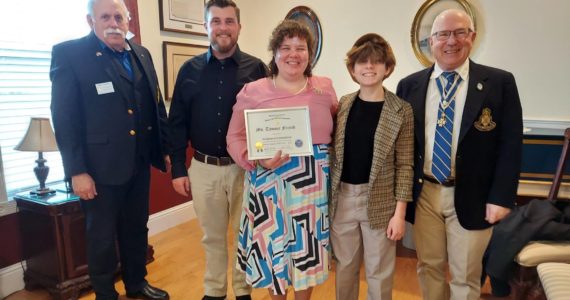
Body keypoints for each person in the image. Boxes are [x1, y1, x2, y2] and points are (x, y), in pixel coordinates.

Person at [396, 9, 523, 300]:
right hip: (425, 192)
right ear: (431, 41)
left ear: (472, 36)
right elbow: (402, 147)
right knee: (429, 268)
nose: (451, 41)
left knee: (466, 274)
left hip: (475, 195)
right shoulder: (409, 86)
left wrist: (501, 197)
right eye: (443, 34)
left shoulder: (499, 83)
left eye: (459, 32)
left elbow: (510, 144)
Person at [50, 0, 169, 299]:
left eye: (119, 16)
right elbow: (64, 119)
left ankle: (136, 284)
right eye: (105, 16)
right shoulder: (70, 54)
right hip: (98, 169)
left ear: (129, 21)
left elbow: (155, 104)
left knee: (136, 229)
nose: (113, 21)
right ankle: (105, 293)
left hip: (139, 163)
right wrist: (77, 171)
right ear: (91, 21)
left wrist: (163, 147)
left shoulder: (141, 53)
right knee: (101, 237)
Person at [226, 20, 338, 300]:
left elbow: (339, 129)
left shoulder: (324, 88)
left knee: (307, 251)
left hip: (311, 187)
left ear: (310, 54)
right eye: (285, 47)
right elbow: (234, 137)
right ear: (274, 53)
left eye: (301, 48)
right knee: (273, 249)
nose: (293, 54)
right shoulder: (253, 91)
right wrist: (257, 160)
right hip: (269, 185)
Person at [167, 0, 266, 299]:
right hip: (203, 169)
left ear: (239, 26)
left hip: (245, 168)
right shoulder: (188, 70)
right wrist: (179, 169)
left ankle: (242, 289)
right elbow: (177, 124)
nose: (223, 27)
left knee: (242, 235)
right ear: (206, 26)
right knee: (211, 237)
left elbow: (266, 119)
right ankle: (214, 291)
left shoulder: (257, 68)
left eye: (229, 21)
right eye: (216, 21)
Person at [330, 33, 414, 300]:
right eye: (362, 62)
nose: (369, 67)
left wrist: (399, 214)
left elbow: (405, 165)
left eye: (376, 62)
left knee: (379, 271)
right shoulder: (342, 104)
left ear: (387, 68)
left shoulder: (401, 110)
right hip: (343, 198)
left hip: (380, 202)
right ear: (353, 69)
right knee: (344, 267)